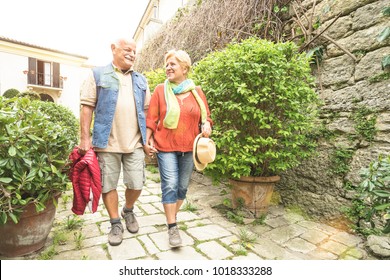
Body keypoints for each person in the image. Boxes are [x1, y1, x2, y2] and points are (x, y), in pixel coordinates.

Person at [79, 38, 153, 246]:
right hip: (106, 143)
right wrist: (85, 138)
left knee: (137, 184)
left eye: (134, 51)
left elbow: (147, 111)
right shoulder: (98, 74)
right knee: (107, 185)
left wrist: (148, 139)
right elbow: (87, 106)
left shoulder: (141, 80)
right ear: (113, 49)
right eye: (126, 49)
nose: (131, 53)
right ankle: (115, 223)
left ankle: (128, 209)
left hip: (135, 143)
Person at [146, 49, 213, 247]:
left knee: (182, 187)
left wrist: (207, 123)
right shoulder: (160, 90)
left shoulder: (196, 91)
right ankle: (172, 227)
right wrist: (147, 140)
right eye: (166, 65)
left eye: (172, 64)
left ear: (184, 68)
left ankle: (170, 214)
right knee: (170, 184)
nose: (168, 68)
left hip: (189, 148)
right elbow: (152, 118)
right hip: (165, 145)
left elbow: (206, 116)